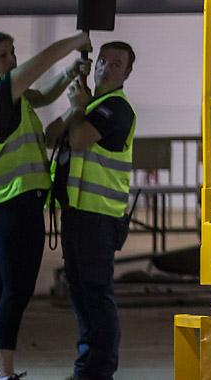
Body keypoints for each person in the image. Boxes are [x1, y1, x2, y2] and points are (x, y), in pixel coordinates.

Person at [0, 30, 91, 380]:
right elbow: (42, 64)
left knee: (2, 289)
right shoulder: (2, 91)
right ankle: (4, 375)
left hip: (2, 202)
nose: (13, 60)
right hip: (15, 202)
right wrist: (76, 41)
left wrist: (71, 72)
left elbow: (43, 93)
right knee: (15, 292)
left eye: (13, 53)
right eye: (4, 56)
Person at [48, 41, 137, 380]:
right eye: (103, 60)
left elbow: (78, 138)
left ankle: (98, 369)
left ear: (127, 73)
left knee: (95, 294)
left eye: (116, 64)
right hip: (78, 214)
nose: (105, 67)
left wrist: (77, 107)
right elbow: (51, 135)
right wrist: (76, 107)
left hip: (99, 217)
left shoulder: (116, 108)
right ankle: (88, 365)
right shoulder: (92, 104)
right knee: (81, 292)